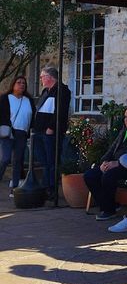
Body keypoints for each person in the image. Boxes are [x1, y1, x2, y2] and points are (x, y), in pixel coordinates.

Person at [83, 105, 127, 222]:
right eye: (125, 117)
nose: (125, 120)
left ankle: (108, 210)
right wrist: (104, 161)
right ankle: (110, 205)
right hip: (113, 163)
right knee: (90, 176)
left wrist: (117, 163)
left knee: (109, 176)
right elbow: (112, 148)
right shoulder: (124, 130)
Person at [31, 67, 71, 201]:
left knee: (52, 161)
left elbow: (61, 111)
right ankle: (45, 187)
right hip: (39, 131)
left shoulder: (62, 91)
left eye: (42, 76)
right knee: (44, 161)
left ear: (50, 77)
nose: (41, 79)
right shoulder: (45, 91)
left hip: (50, 132)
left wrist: (52, 127)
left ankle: (51, 189)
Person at [0, 76, 35, 197]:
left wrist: (30, 131)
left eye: (24, 83)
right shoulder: (5, 98)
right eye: (18, 82)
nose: (21, 85)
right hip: (8, 133)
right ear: (13, 84)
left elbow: (32, 116)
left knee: (18, 161)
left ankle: (14, 188)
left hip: (22, 133)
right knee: (4, 159)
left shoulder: (28, 100)